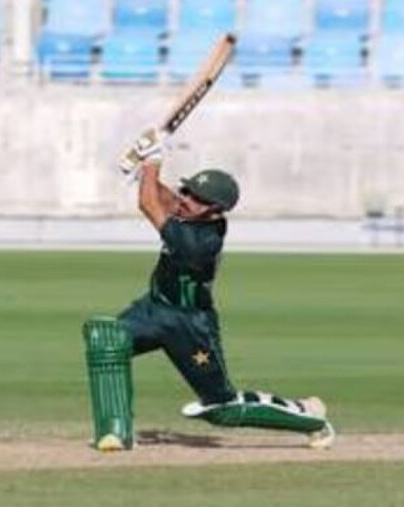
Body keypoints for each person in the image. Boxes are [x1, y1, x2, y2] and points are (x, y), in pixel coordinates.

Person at [82, 129, 335, 451]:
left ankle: (311, 421)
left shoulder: (200, 241)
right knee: (107, 340)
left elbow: (149, 204)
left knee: (222, 408)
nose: (185, 200)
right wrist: (140, 172)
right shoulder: (193, 214)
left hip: (189, 326)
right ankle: (115, 432)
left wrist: (152, 161)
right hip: (154, 307)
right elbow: (167, 199)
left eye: (196, 199)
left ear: (215, 210)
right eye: (187, 191)